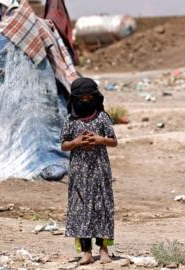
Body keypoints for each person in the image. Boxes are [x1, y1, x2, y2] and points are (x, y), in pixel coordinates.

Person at [60, 77, 118, 265]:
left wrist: (100, 140)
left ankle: (103, 249)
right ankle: (86, 252)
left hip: (100, 170)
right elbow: (64, 145)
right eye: (81, 98)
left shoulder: (102, 117)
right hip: (79, 172)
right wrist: (76, 143)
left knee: (101, 207)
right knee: (81, 209)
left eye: (88, 97)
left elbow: (113, 141)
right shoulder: (70, 120)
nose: (85, 101)